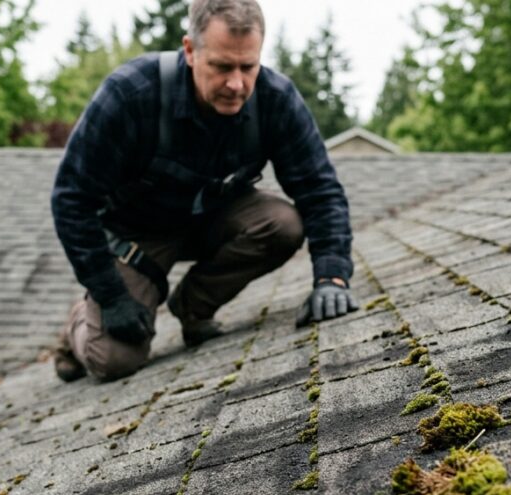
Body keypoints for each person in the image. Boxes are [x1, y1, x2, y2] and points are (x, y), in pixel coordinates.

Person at [51, 0, 358, 383]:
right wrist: (110, 294)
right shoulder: (131, 94)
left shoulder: (275, 99)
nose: (236, 83)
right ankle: (78, 326)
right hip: (138, 238)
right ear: (190, 51)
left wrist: (332, 275)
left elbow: (319, 188)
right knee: (113, 359)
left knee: (284, 224)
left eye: (248, 66)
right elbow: (70, 199)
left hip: (215, 219)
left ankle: (193, 306)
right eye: (222, 66)